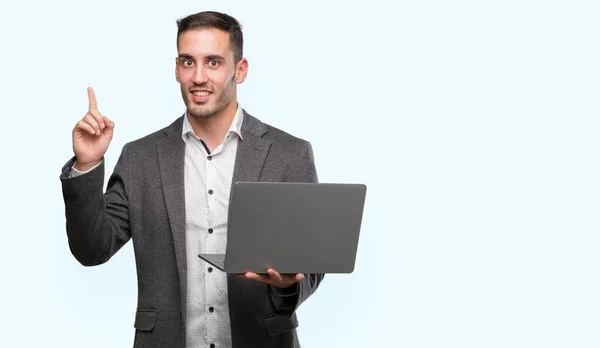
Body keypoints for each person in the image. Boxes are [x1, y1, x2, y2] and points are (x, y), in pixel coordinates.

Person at [59, 10, 323, 348]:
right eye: (188, 62)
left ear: (239, 71)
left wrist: (288, 284)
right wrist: (88, 163)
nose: (198, 76)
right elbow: (91, 249)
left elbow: (312, 264)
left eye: (213, 62)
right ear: (176, 69)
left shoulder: (290, 154)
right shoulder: (140, 157)